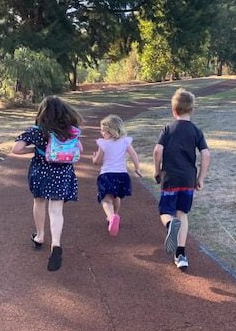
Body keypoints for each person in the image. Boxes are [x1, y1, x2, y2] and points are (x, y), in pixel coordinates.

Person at [12, 95, 83, 272]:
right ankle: (56, 244)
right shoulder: (70, 130)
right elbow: (79, 149)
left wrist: (35, 149)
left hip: (41, 172)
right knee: (56, 210)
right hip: (62, 173)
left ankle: (40, 236)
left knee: (39, 202)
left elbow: (16, 149)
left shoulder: (36, 130)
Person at [153, 88, 210, 270]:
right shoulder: (196, 131)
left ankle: (170, 224)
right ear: (191, 110)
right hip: (188, 180)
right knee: (182, 213)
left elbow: (157, 151)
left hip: (170, 178)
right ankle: (181, 255)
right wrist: (201, 177)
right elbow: (206, 155)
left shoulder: (168, 129)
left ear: (174, 110)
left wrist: (157, 170)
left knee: (165, 210)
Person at [92, 114, 142, 236]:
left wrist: (93, 159)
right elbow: (134, 154)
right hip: (122, 175)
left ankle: (111, 216)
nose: (102, 133)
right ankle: (115, 215)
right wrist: (137, 168)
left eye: (103, 131)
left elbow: (97, 161)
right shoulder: (125, 141)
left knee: (106, 199)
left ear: (110, 132)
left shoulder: (103, 144)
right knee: (117, 197)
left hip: (107, 175)